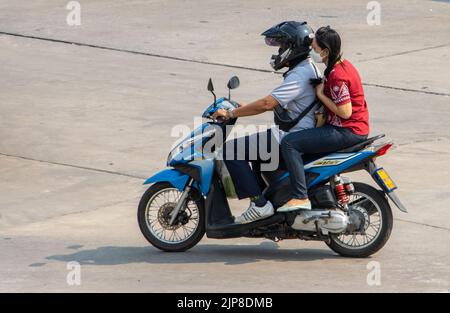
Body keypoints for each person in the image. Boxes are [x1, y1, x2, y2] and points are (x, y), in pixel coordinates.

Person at [212, 21, 320, 224]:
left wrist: (231, 113)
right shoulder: (305, 68)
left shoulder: (300, 74)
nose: (279, 52)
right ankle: (271, 204)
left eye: (282, 47)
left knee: (231, 150)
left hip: (290, 136)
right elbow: (280, 105)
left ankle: (259, 205)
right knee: (257, 156)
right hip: (295, 132)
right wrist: (241, 108)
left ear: (292, 47)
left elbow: (267, 103)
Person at [278, 26, 370, 212]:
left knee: (289, 143)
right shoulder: (342, 65)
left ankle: (300, 197)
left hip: (348, 130)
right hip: (353, 128)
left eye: (314, 47)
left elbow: (345, 112)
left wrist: (321, 94)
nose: (311, 51)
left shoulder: (338, 75)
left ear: (326, 51)